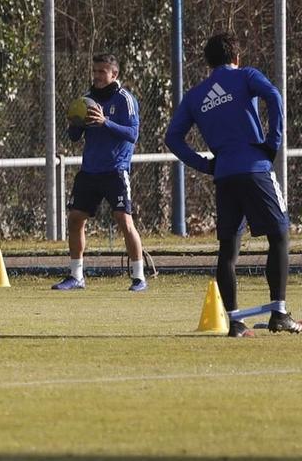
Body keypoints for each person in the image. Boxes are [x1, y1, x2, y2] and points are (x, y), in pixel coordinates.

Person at [163, 33, 295, 336]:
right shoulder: (246, 76)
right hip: (255, 167)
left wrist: (205, 164)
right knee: (279, 235)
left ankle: (234, 321)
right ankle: (279, 313)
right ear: (237, 57)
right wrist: (272, 142)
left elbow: (172, 138)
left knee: (228, 248)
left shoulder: (196, 95)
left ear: (208, 62)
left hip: (224, 174)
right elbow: (274, 95)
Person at [54, 54, 148, 292]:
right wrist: (75, 123)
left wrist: (105, 121)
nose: (96, 76)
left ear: (114, 74)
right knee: (75, 219)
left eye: (101, 72)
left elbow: (133, 134)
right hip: (89, 171)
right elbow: (74, 137)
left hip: (115, 170)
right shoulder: (86, 100)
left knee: (124, 221)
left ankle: (139, 278)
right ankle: (76, 276)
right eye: (94, 71)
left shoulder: (125, 99)